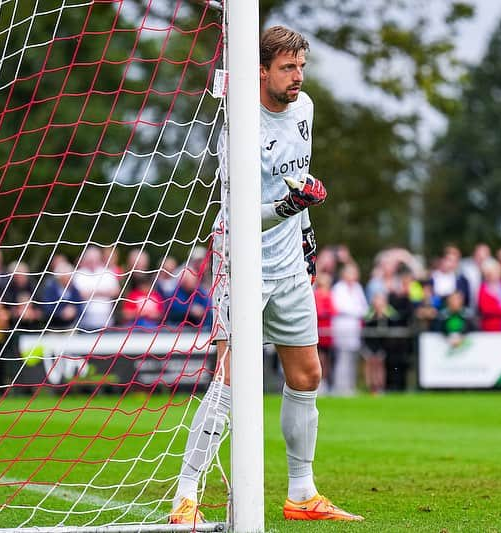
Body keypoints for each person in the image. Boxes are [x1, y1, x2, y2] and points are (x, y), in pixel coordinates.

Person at [170, 26, 362, 525]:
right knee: (231, 381)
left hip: (289, 261)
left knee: (307, 375)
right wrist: (286, 207)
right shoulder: (239, 127)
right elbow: (235, 215)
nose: (297, 76)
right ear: (261, 70)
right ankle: (185, 495)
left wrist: (304, 227)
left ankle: (302, 493)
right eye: (287, 68)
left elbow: (297, 182)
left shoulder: (306, 108)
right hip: (241, 260)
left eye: (301, 66)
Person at [330, 263, 368, 396]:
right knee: (342, 358)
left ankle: (350, 386)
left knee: (352, 358)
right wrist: (356, 311)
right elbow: (340, 307)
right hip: (342, 326)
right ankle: (340, 387)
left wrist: (357, 311)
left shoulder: (357, 288)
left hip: (354, 327)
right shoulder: (338, 288)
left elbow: (364, 307)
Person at [477, 259, 501, 332]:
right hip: (492, 325)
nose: (495, 274)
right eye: (493, 272)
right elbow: (485, 308)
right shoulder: (483, 288)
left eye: (497, 271)